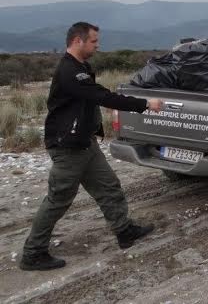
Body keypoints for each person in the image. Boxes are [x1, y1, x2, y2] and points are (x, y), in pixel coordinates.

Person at [20, 22, 164, 271]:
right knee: (59, 198)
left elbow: (93, 98)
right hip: (68, 146)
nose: (98, 46)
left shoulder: (81, 67)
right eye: (94, 41)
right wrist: (145, 104)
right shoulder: (70, 71)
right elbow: (102, 96)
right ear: (78, 41)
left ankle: (124, 231)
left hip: (84, 142)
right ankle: (33, 253)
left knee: (108, 187)